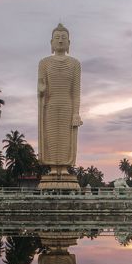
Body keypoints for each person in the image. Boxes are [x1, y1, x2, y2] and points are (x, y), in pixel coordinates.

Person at [38, 23, 82, 187]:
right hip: (49, 106)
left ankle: (64, 167)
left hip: (67, 106)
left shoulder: (75, 64)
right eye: (57, 38)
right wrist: (41, 90)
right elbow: (41, 85)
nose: (61, 41)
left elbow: (76, 92)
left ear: (69, 43)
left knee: (65, 138)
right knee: (51, 137)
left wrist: (76, 113)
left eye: (64, 38)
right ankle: (52, 167)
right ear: (51, 42)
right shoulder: (44, 63)